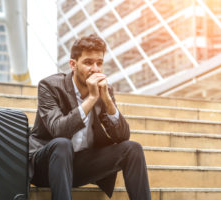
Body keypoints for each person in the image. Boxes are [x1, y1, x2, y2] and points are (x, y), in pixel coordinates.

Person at [28, 33, 151, 200]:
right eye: (88, 62)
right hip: (47, 166)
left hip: (82, 166)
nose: (95, 69)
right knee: (62, 144)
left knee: (133, 148)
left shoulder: (105, 91)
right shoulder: (49, 86)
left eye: (99, 63)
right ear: (73, 64)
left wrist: (107, 100)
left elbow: (122, 136)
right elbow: (59, 130)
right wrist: (91, 99)